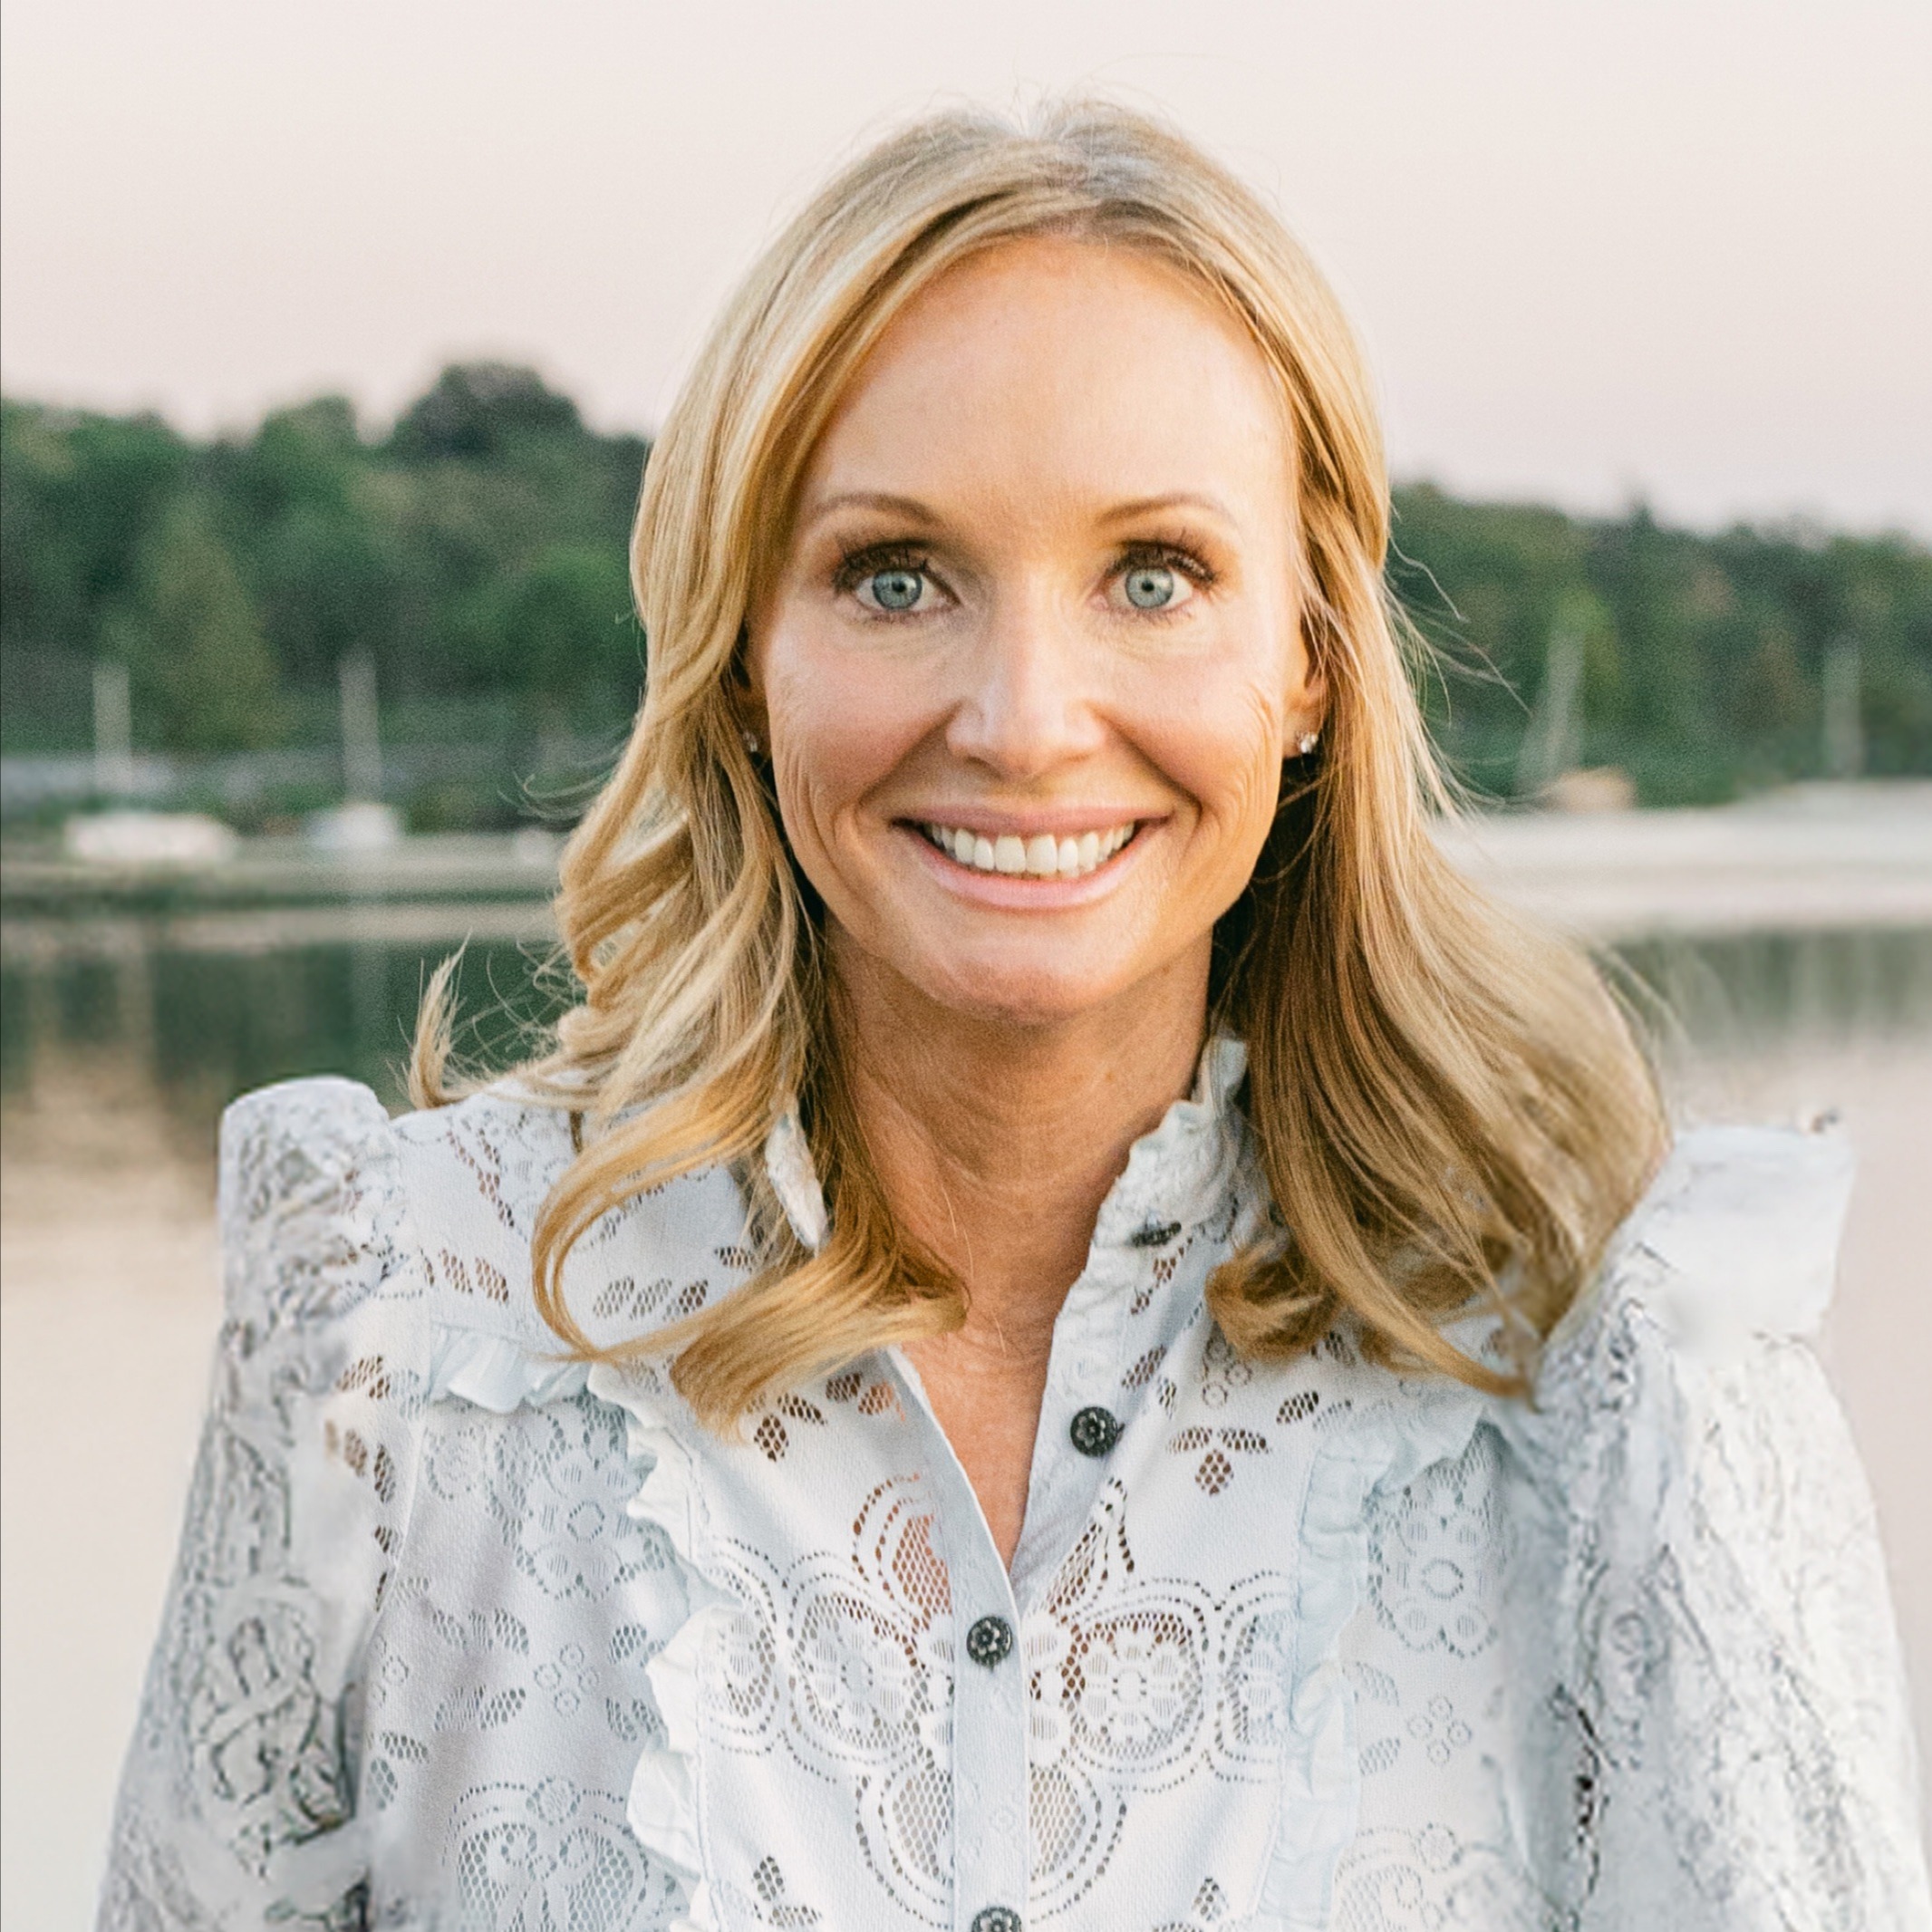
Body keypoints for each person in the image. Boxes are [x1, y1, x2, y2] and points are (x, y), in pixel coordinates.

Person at [100, 101, 1928, 1932]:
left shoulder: (1614, 1377)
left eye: (1155, 576)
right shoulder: (399, 1323)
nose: (1026, 720)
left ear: (1308, 655)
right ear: (746, 654)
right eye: (896, 576)